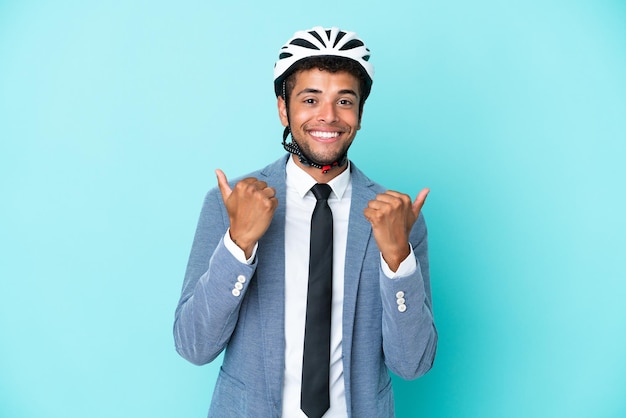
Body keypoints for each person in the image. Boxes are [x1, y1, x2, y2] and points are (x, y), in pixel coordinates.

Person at [174, 26, 437, 417]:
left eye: (344, 101)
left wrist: (398, 258)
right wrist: (238, 244)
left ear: (360, 114)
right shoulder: (230, 203)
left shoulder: (398, 218)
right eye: (310, 99)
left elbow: (412, 364)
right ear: (284, 108)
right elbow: (194, 346)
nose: (328, 116)